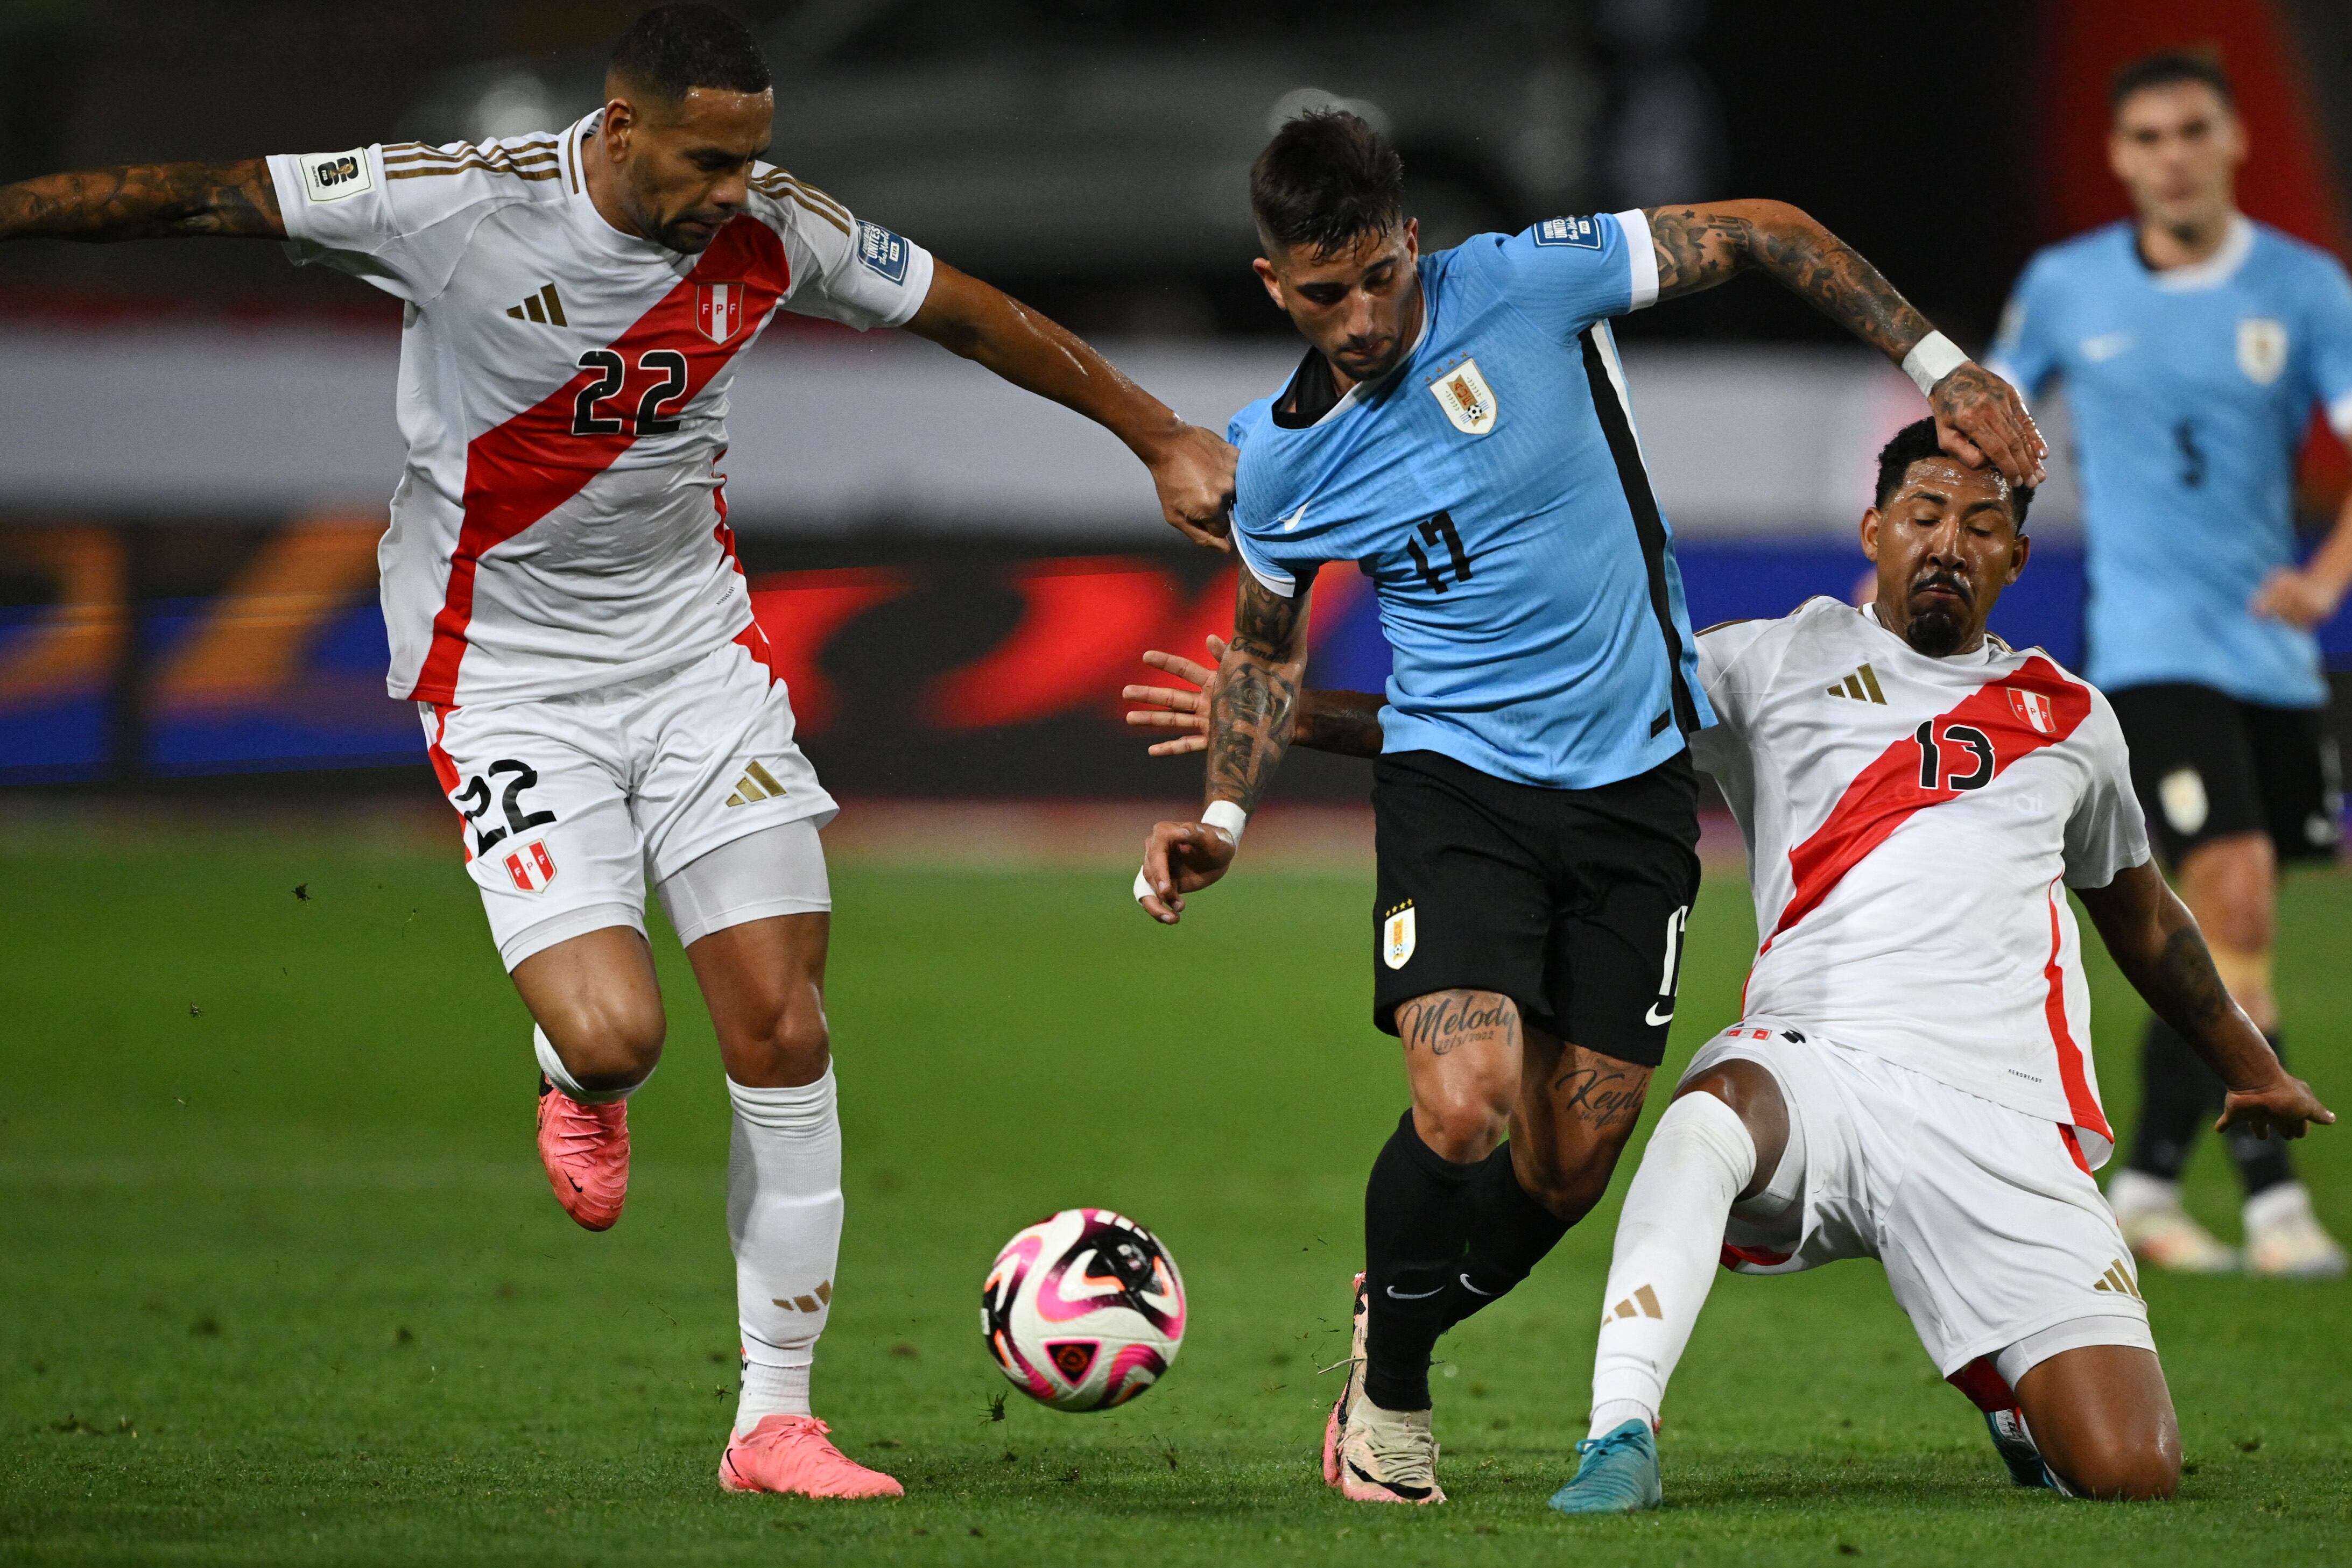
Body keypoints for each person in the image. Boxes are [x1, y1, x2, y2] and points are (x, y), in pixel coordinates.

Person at [0, 5, 1233, 1499]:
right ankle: (572, 1075)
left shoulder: (777, 230)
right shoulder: (453, 205)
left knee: (781, 1028)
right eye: (708, 160)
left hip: (697, 666)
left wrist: (1155, 433)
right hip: (505, 679)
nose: (735, 189)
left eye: (752, 157)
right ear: (623, 125)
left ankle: (773, 1422)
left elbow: (964, 311)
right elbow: (200, 198)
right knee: (616, 1035)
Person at [1128, 420, 2336, 1509]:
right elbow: (1531, 715)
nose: (1948, 544)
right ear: (1873, 530)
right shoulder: (1767, 662)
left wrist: (2250, 1062)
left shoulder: (2072, 719)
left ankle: (1998, 1376)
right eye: (1924, 514)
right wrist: (1288, 717)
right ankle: (1619, 1433)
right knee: (1705, 1117)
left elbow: (2144, 916)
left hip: (2005, 1117)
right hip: (1819, 1070)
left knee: (2131, 1472)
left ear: (2017, 559)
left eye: (1982, 526)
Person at [1130, 108, 2045, 1505]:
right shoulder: (1283, 462)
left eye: (1380, 276)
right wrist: (1225, 817)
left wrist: (1939, 363)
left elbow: (1761, 231)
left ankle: (1398, 1305)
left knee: (1569, 1161)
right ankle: (1392, 1403)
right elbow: (1262, 651)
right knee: (1466, 1100)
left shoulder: (1530, 281)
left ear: (1412, 240)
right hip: (1459, 791)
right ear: (1273, 286)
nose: (1363, 317)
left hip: (1632, 790)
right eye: (1326, 295)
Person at [1987, 48, 2351, 1277]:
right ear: (2117, 156)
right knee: (2230, 894)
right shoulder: (2065, 286)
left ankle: (2145, 1182)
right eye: (2146, 137)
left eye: (2192, 130)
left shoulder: (2304, 289)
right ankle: (2274, 1203)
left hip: (2274, 654)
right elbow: (1982, 424)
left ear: (2234, 139)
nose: (2172, 157)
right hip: (2146, 647)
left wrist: (2325, 578)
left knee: (2239, 933)